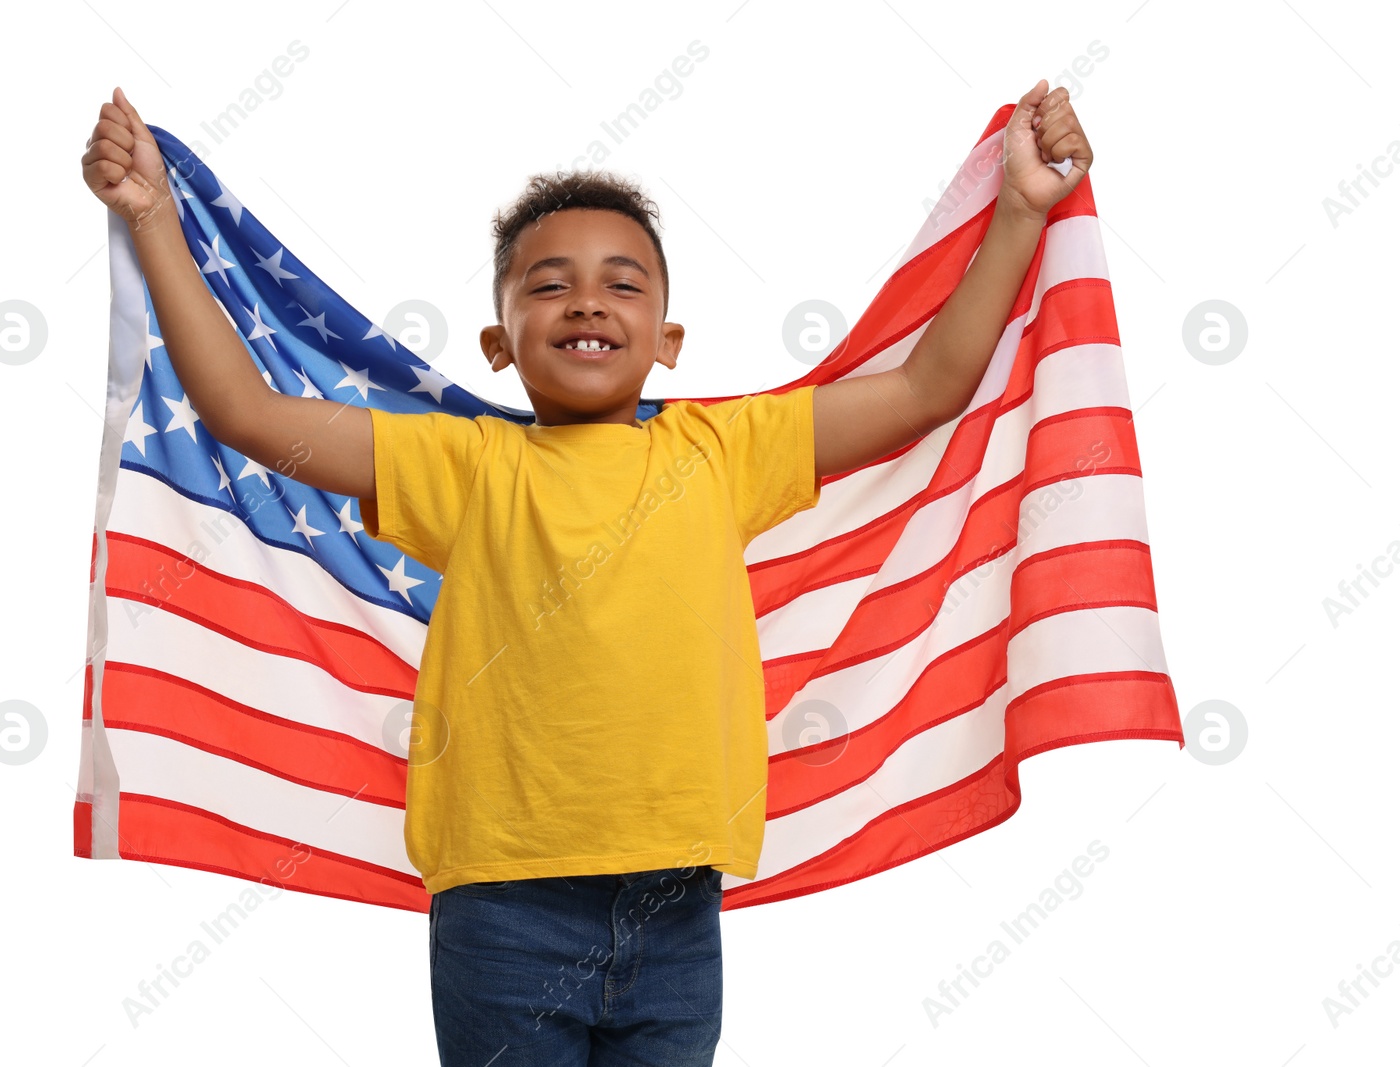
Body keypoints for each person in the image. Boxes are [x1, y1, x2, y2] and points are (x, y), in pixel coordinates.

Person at [81, 80, 1092, 1065]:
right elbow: (248, 414)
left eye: (622, 281)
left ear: (666, 338)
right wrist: (156, 219)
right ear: (498, 340)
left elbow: (927, 385)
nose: (585, 301)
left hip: (677, 904)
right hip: (502, 908)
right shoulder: (465, 465)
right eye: (547, 283)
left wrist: (1016, 209)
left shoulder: (721, 449)